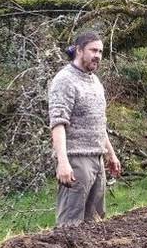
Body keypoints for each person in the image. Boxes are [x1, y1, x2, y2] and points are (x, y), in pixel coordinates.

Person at [48, 31, 122, 226]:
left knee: (96, 221)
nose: (97, 55)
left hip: (97, 159)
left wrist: (110, 155)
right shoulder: (65, 80)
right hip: (77, 160)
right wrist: (63, 162)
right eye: (93, 50)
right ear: (79, 50)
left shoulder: (95, 81)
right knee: (70, 223)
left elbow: (98, 122)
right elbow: (58, 123)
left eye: (100, 51)